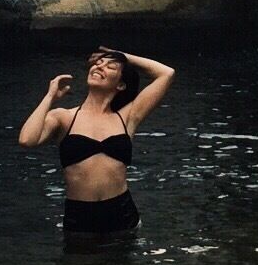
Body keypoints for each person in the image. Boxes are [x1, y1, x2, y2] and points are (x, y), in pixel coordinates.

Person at [18, 48, 175, 239]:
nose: (99, 66)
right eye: (98, 63)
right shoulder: (64, 117)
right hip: (80, 218)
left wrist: (120, 55)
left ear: (121, 85)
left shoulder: (127, 117)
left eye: (110, 66)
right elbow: (27, 140)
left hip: (122, 214)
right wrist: (50, 97)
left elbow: (166, 73)